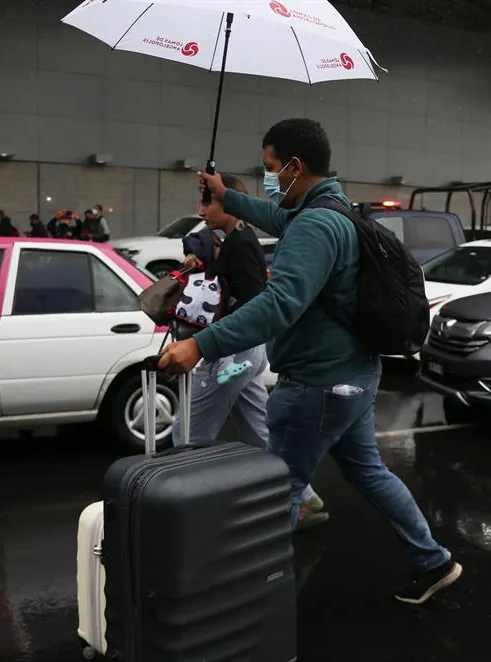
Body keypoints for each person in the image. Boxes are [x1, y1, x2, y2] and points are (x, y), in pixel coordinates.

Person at [158, 118, 461, 604]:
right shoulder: (330, 208)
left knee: (280, 493)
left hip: (319, 385)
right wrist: (228, 198)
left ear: (295, 167)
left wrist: (200, 345)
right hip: (354, 376)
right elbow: (279, 220)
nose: (269, 178)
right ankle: (434, 560)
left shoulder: (316, 224)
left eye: (271, 168)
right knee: (369, 473)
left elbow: (279, 304)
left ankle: (249, 607)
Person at [173, 174, 328, 530]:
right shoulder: (233, 238)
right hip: (245, 355)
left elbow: (255, 304)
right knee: (262, 434)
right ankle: (307, 500)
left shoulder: (239, 244)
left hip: (233, 355)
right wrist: (195, 254)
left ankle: (188, 517)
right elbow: (193, 238)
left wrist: (219, 352)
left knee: (186, 436)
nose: (201, 211)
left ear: (228, 201)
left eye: (208, 203)